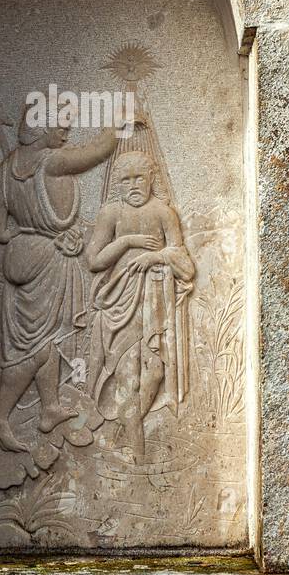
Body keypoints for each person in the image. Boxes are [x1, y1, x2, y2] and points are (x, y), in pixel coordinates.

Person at [0, 105, 116, 452]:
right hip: (46, 263)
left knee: (45, 341)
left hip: (19, 258)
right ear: (40, 128)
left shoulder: (2, 172)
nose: (67, 133)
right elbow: (96, 153)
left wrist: (26, 233)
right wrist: (119, 124)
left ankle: (50, 408)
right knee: (34, 348)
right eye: (61, 126)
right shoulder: (51, 162)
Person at [85, 150, 194, 459]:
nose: (133, 185)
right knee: (128, 375)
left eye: (139, 178)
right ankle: (138, 453)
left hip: (155, 306)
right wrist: (127, 241)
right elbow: (93, 260)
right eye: (125, 180)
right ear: (117, 185)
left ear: (150, 180)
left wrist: (155, 256)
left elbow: (185, 264)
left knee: (156, 371)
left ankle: (129, 423)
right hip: (120, 305)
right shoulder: (111, 214)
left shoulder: (163, 212)